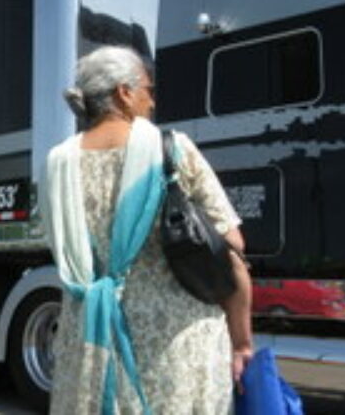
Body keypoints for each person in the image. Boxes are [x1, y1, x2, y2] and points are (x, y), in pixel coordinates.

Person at [42, 45, 252, 414]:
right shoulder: (170, 149)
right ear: (124, 92)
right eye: (148, 90)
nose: (152, 102)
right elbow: (231, 242)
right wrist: (242, 342)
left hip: (89, 345)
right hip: (173, 348)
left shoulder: (57, 163)